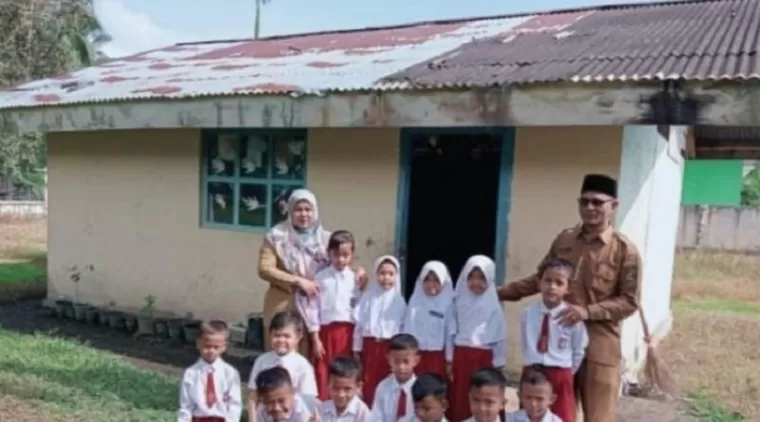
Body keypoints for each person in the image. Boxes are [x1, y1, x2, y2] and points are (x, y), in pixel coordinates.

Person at [497, 174, 642, 422]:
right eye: (584, 202)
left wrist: (588, 311)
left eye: (598, 202)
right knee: (545, 413)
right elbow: (539, 279)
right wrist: (497, 293)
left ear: (613, 206)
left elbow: (630, 301)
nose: (590, 208)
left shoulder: (624, 251)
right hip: (555, 350)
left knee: (598, 417)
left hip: (600, 347)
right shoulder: (564, 240)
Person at [258, 189, 367, 353]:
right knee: (280, 351)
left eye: (308, 209)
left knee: (310, 355)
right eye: (298, 209)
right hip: (283, 301)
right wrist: (298, 281)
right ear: (290, 211)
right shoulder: (276, 236)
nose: (303, 214)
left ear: (314, 211)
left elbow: (343, 259)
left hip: (315, 306)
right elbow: (265, 269)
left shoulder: (325, 238)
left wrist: (359, 270)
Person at [520, 258, 588, 422]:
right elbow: (525, 343)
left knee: (562, 415)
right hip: (533, 371)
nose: (552, 287)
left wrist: (567, 372)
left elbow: (579, 349)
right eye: (548, 280)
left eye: (559, 283)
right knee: (529, 415)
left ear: (568, 288)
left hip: (560, 374)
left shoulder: (572, 316)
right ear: (539, 283)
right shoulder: (527, 313)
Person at [297, 230, 360, 399]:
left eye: (345, 255)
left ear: (352, 254)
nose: (340, 259)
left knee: (345, 372)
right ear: (329, 253)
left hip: (347, 334)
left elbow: (358, 308)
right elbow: (313, 309)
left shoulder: (355, 279)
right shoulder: (321, 278)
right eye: (336, 254)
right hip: (325, 334)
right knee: (323, 373)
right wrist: (315, 338)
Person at [450, 255, 508, 422]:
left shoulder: (493, 306)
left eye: (482, 277)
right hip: (461, 356)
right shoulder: (458, 301)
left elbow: (499, 335)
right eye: (471, 277)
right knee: (462, 394)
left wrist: (498, 361)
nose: (476, 282)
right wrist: (450, 358)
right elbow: (452, 330)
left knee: (486, 393)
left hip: (484, 357)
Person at [352, 255, 407, 403]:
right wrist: (357, 351)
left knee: (389, 384)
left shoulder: (399, 301)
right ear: (376, 274)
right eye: (382, 273)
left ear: (396, 276)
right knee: (370, 382)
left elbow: (402, 327)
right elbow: (359, 324)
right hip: (370, 347)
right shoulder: (368, 297)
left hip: (390, 348)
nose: (386, 278)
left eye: (391, 274)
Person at [247, 311, 318, 420]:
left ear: (298, 337)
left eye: (286, 336)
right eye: (277, 335)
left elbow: (308, 401)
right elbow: (253, 395)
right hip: (267, 415)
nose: (281, 340)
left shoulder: (303, 366)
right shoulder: (262, 361)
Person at [178, 320, 242, 422]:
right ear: (198, 344)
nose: (211, 351)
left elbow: (234, 404)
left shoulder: (230, 373)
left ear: (224, 347)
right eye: (207, 346)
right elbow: (186, 406)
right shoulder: (191, 373)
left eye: (216, 347)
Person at [403, 261, 455, 379]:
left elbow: (449, 334)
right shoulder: (415, 302)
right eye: (427, 280)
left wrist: (449, 359)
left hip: (437, 357)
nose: (431, 284)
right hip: (416, 355)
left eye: (436, 280)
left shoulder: (448, 305)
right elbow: (408, 329)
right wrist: (407, 353)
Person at [370, 333, 420, 421]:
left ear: (416, 360)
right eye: (396, 361)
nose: (401, 367)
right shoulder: (382, 387)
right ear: (388, 359)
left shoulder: (421, 390)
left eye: (406, 362)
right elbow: (376, 417)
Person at [254, 367, 320, 422]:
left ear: (293, 393)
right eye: (270, 402)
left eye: (281, 401)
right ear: (262, 400)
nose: (276, 408)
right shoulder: (262, 412)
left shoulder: (307, 411)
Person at [317, 356, 371, 421]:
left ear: (358, 387)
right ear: (328, 385)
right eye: (335, 388)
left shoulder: (362, 413)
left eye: (347, 389)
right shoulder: (321, 410)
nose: (341, 395)